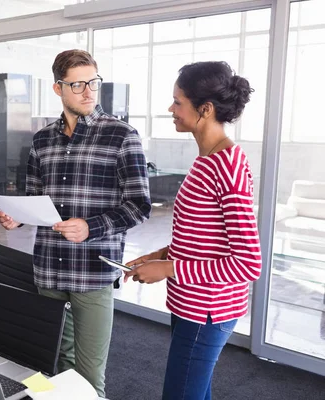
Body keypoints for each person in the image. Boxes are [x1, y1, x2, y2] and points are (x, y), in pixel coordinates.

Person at [0, 49, 151, 397]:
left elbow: (139, 206)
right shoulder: (41, 140)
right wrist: (15, 219)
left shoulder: (122, 136)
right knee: (58, 365)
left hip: (92, 271)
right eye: (78, 84)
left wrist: (90, 227)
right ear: (58, 88)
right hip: (49, 268)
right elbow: (33, 199)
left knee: (90, 373)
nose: (88, 91)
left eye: (93, 82)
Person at [124, 61, 262, 400]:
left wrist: (168, 269)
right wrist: (159, 255)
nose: (171, 109)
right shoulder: (207, 160)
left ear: (206, 109)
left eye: (178, 101)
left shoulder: (226, 165)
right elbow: (204, 235)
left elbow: (248, 262)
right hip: (191, 304)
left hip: (207, 310)